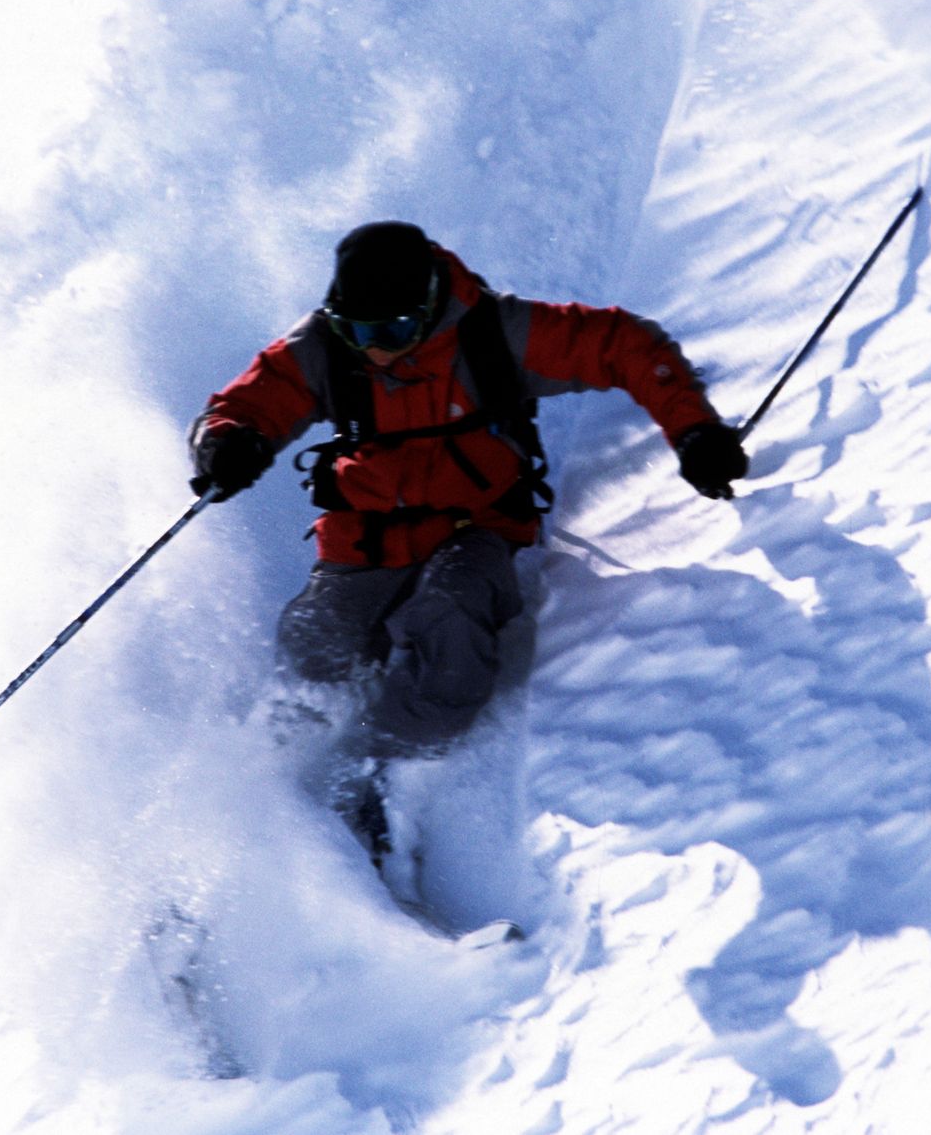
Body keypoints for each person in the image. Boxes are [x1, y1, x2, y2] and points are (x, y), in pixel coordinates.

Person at [188, 221, 747, 884]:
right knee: (321, 632)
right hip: (370, 528)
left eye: (391, 333)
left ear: (427, 307)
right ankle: (273, 762)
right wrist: (228, 442)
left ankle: (387, 772)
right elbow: (247, 401)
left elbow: (624, 344)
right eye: (358, 334)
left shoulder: (493, 334)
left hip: (475, 524)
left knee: (450, 614)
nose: (377, 352)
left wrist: (694, 431)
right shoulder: (328, 346)